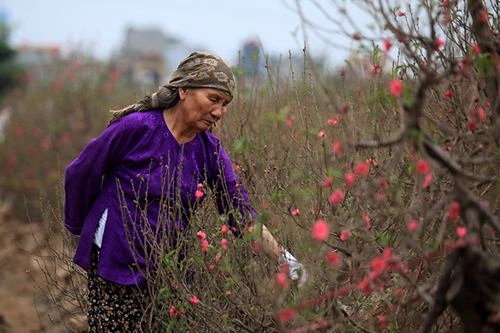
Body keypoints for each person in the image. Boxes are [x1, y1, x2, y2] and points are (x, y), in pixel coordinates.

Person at [64, 51, 307, 332]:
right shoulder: (137, 128)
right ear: (183, 90)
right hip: (114, 259)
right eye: (213, 99)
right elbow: (81, 171)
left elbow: (239, 213)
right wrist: (81, 226)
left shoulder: (209, 151)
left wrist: (285, 258)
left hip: (166, 269)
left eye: (225, 104)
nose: (218, 112)